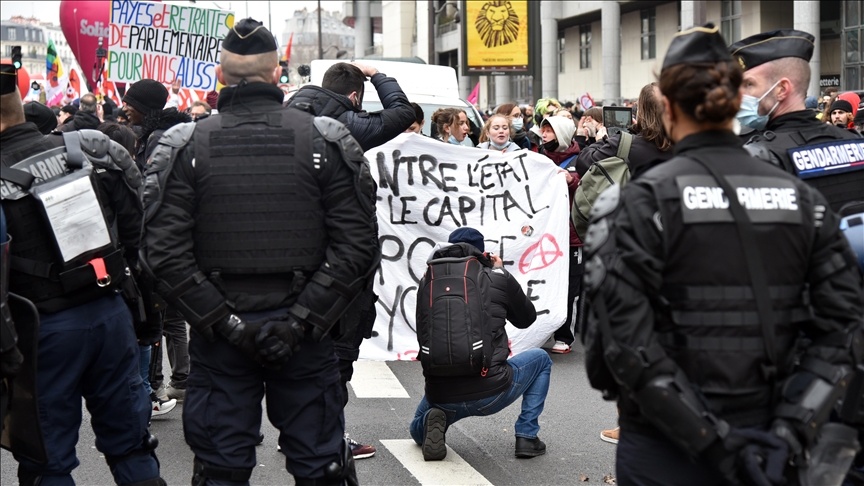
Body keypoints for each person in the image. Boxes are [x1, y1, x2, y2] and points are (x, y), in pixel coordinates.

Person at [583, 25, 864, 486]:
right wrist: (791, 428)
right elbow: (844, 328)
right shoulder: (802, 200)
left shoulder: (636, 203)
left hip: (665, 450)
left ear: (668, 108)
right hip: (773, 444)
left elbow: (615, 353)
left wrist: (713, 442)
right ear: (735, 103)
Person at [140, 19, 379, 485]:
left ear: (221, 76)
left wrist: (226, 324)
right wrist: (301, 322)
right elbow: (358, 247)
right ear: (276, 76)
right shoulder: (326, 140)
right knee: (321, 467)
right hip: (304, 336)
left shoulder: (185, 144)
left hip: (222, 336)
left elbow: (161, 256)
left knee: (221, 470)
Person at [1, 63, 165, 485]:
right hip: (110, 313)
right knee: (131, 446)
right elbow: (140, 239)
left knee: (47, 463)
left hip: (42, 335)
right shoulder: (93, 151)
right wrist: (143, 314)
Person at [287, 59, 414, 459]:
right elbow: (404, 113)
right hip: (338, 266)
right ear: (355, 95)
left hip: (289, 262)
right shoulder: (345, 123)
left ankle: (296, 431)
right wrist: (380, 76)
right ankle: (327, 440)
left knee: (302, 353)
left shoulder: (282, 117)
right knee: (336, 357)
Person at [411, 228, 550, 460]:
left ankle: (430, 421)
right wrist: (501, 271)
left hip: (441, 392)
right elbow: (527, 319)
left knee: (417, 430)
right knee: (542, 359)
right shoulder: (497, 277)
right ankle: (527, 436)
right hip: (491, 390)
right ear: (482, 253)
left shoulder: (428, 281)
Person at [731, 29, 864, 212]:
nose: (740, 95)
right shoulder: (857, 144)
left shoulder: (758, 159)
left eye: (749, 84)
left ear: (782, 89)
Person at [286, 61, 415, 151]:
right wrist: (375, 73)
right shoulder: (351, 125)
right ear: (354, 97)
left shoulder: (288, 111)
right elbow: (405, 112)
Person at [535, 117, 583, 355]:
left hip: (573, 239)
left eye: (549, 131)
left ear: (562, 134)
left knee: (570, 289)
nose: (543, 135)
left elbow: (590, 187)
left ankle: (565, 336)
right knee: (543, 284)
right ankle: (541, 331)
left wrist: (572, 181)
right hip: (545, 237)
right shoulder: (538, 159)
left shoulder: (581, 159)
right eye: (542, 131)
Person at [574, 82, 675, 180]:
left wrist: (601, 141)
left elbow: (583, 164)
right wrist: (637, 130)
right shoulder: (680, 143)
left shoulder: (622, 143)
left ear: (641, 111)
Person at [122, 79, 191, 169]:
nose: (124, 109)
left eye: (129, 104)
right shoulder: (152, 134)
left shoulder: (157, 137)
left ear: (143, 108)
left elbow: (152, 180)